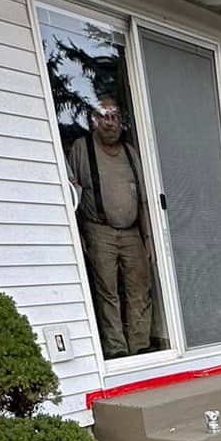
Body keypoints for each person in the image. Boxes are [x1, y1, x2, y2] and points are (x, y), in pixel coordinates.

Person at [68, 99, 155, 359]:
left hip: (132, 231)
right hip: (99, 229)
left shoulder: (130, 153)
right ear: (95, 119)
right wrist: (79, 234)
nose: (109, 122)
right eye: (104, 116)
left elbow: (144, 199)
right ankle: (116, 349)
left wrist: (148, 237)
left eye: (115, 117)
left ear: (121, 122)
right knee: (108, 291)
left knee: (139, 287)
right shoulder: (82, 149)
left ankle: (140, 346)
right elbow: (71, 195)